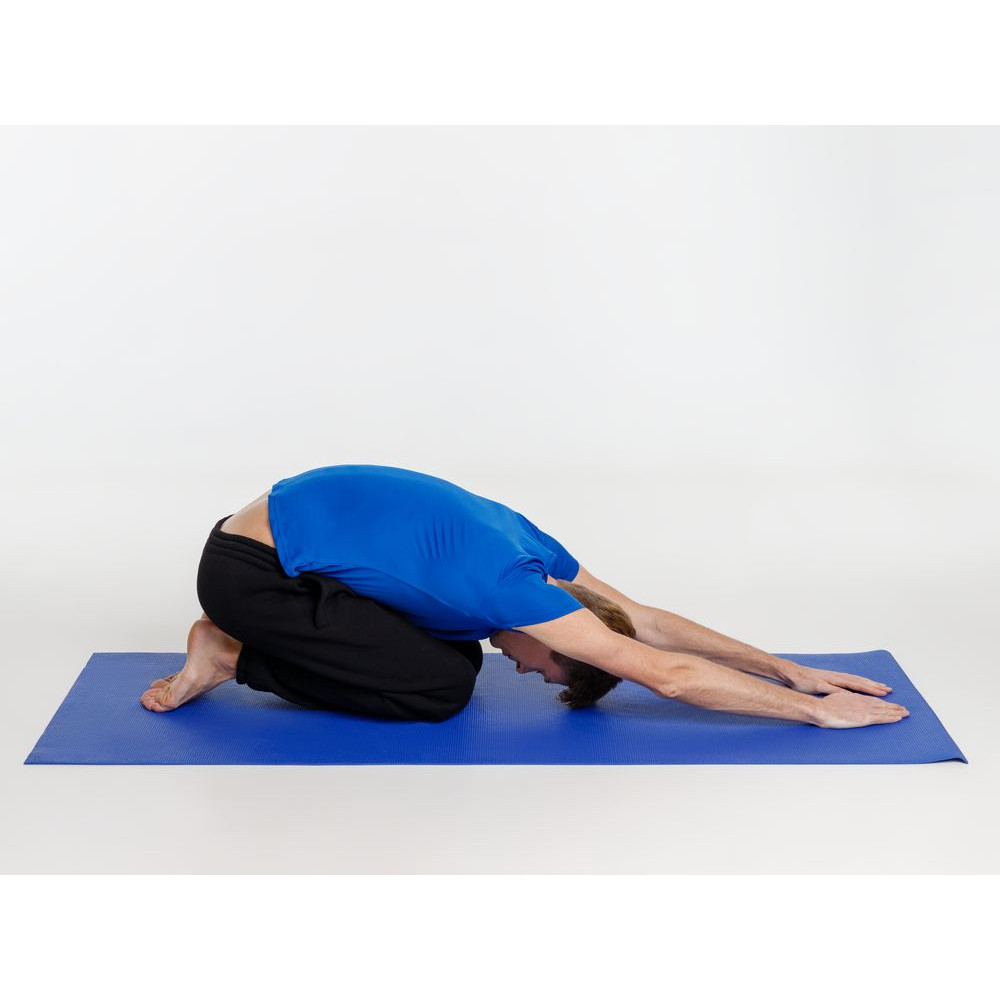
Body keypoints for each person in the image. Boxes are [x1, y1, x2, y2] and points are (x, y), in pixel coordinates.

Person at [141, 464, 909, 729]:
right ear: (560, 637)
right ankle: (229, 653)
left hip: (275, 543)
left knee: (453, 656)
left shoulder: (537, 557)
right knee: (441, 687)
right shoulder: (514, 591)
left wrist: (784, 666)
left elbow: (641, 621)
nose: (531, 672)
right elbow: (665, 672)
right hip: (251, 574)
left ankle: (237, 641)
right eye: (555, 670)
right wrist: (812, 710)